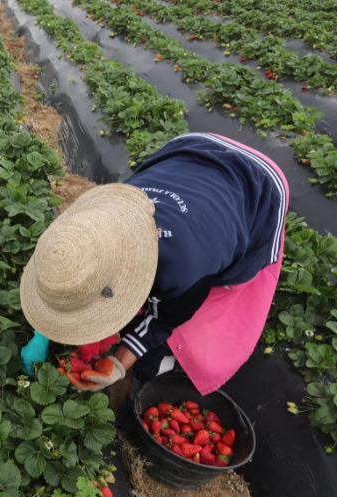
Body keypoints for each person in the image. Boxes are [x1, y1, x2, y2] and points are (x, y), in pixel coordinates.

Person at [19, 133, 289, 395]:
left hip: (261, 182)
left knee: (222, 287)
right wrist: (42, 334)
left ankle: (170, 353)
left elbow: (162, 321)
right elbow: (73, 279)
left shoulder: (183, 273)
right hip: (189, 148)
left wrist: (119, 363)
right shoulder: (83, 227)